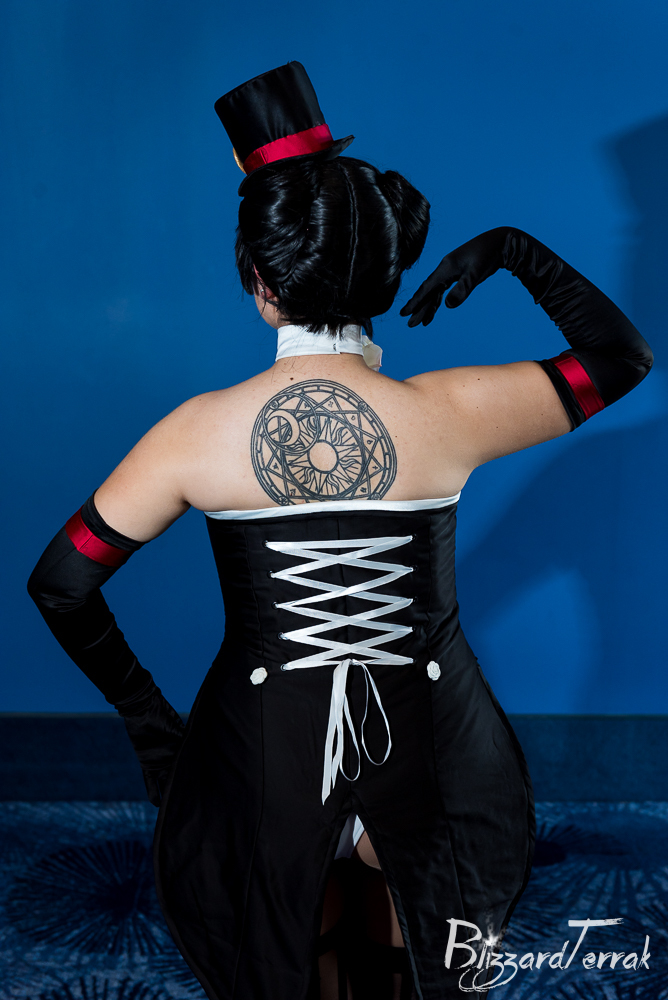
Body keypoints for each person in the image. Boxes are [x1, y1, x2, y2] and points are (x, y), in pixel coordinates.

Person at [27, 61, 652, 1000]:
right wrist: (516, 253)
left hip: (260, 766)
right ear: (386, 268)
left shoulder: (193, 436)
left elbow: (61, 585)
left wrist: (155, 731)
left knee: (294, 961)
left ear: (257, 280)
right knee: (414, 966)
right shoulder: (456, 412)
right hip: (438, 759)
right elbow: (620, 356)